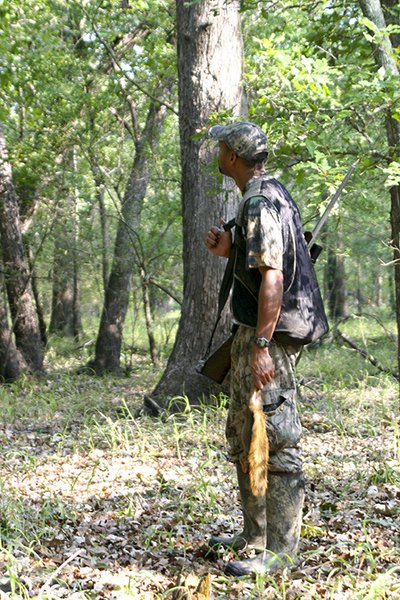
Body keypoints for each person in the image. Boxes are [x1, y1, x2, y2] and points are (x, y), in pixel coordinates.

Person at [205, 121, 316, 577]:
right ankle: (255, 538)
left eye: (220, 146)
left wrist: (264, 345)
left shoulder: (259, 201)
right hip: (251, 331)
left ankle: (282, 552)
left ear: (232, 155)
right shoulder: (264, 193)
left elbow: (274, 276)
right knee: (244, 433)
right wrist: (232, 249)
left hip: (266, 335)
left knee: (277, 439)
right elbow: (262, 260)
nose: (217, 152)